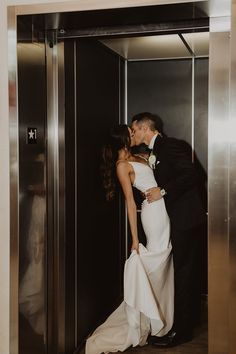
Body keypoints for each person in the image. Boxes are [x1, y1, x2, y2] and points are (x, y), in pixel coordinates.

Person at [86, 124, 174, 354]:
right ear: (124, 138)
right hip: (152, 213)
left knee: (163, 259)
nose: (133, 133)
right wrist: (135, 239)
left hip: (163, 208)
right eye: (130, 131)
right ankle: (151, 315)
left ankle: (158, 312)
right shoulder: (121, 165)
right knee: (157, 257)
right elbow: (130, 202)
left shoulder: (139, 155)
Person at [131, 112, 207, 348]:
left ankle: (182, 332)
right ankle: (187, 320)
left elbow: (193, 174)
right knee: (184, 270)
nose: (132, 134)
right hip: (177, 218)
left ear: (145, 129)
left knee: (184, 272)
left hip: (185, 219)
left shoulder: (170, 145)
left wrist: (162, 191)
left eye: (134, 130)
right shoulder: (154, 151)